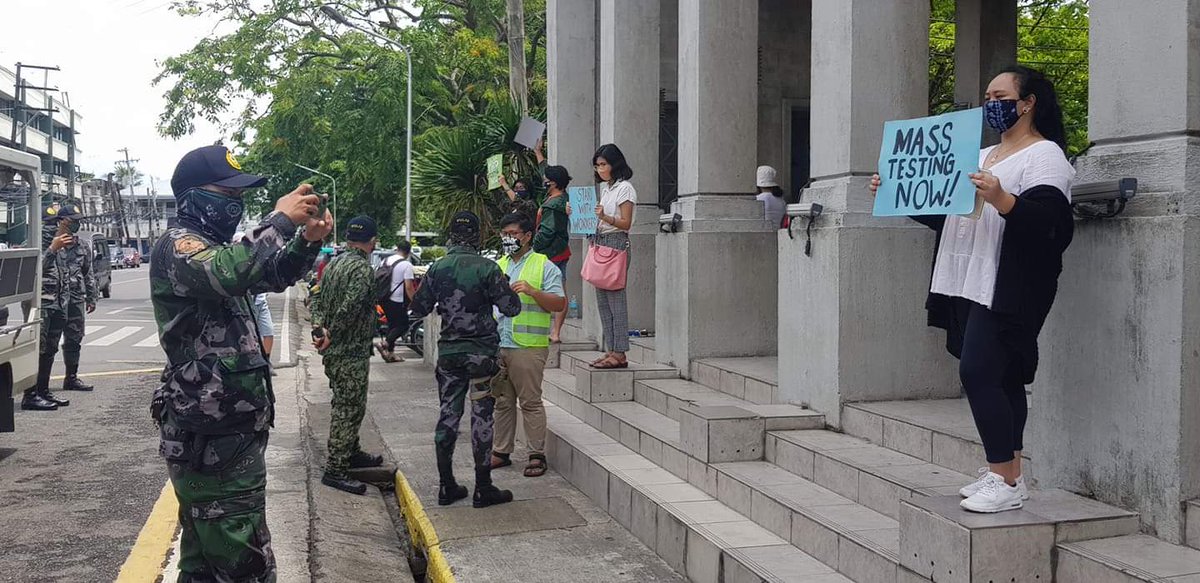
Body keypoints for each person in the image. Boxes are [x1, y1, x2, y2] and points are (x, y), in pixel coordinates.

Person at [869, 66, 1074, 514]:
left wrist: (1002, 198)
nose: (991, 103)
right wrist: (900, 194)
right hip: (967, 278)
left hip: (1008, 283)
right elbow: (950, 215)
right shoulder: (979, 155)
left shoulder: (1045, 157)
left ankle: (1002, 473)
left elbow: (1049, 225)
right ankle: (1010, 473)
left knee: (977, 372)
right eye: (987, 95)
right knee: (1002, 375)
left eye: (1000, 95)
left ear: (1028, 102)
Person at [151, 145, 330, 581]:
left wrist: (307, 242)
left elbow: (268, 274)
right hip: (212, 438)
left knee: (203, 563)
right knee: (244, 563)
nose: (236, 204)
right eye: (226, 193)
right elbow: (229, 272)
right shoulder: (178, 246)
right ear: (193, 196)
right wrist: (281, 221)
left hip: (225, 430)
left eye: (240, 196)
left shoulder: (215, 247)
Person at [408, 211, 522, 508]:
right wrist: (504, 285)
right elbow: (512, 308)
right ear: (477, 236)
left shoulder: (436, 268)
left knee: (448, 414)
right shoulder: (488, 268)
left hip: (449, 354)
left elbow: (419, 307)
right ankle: (483, 487)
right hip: (482, 353)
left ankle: (446, 486)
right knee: (482, 416)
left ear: (451, 235)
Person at [311, 215, 387, 495]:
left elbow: (316, 297)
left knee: (347, 403)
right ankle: (336, 468)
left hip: (335, 351)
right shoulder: (362, 268)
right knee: (349, 408)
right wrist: (331, 331)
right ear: (372, 241)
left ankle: (351, 451)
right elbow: (351, 306)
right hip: (349, 350)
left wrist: (319, 329)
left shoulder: (334, 264)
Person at [490, 212, 566, 478]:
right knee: (502, 401)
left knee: (530, 402)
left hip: (528, 346)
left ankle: (536, 454)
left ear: (527, 236)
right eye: (504, 235)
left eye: (513, 234)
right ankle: (501, 451)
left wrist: (534, 292)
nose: (508, 239)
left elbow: (559, 303)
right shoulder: (497, 265)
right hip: (501, 343)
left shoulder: (544, 266)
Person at [23, 203, 94, 411]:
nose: (76, 225)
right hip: (42, 303)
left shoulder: (70, 244)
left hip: (60, 303)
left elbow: (78, 273)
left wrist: (89, 296)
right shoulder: (38, 242)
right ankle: (31, 393)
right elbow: (33, 271)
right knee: (39, 348)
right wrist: (53, 249)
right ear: (61, 221)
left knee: (50, 349)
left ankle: (43, 391)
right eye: (72, 221)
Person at [589, 143, 636, 369]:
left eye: (604, 164)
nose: (600, 169)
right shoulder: (606, 188)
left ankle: (620, 352)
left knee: (616, 301)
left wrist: (606, 218)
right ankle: (611, 349)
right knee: (602, 301)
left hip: (617, 242)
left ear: (614, 164)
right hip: (601, 242)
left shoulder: (625, 188)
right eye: (597, 165)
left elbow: (626, 222)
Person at [533, 165, 572, 343]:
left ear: (553, 182)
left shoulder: (553, 205)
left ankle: (554, 332)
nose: (543, 181)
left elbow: (547, 231)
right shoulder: (562, 198)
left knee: (554, 293)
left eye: (546, 179)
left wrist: (533, 246)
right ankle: (555, 331)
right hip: (560, 251)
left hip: (550, 254)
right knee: (559, 291)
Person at [376, 240, 418, 363]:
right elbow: (409, 287)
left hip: (384, 297)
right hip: (397, 299)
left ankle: (390, 354)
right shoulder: (406, 265)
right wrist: (415, 302)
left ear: (397, 248)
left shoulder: (385, 261)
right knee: (403, 325)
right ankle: (385, 344)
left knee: (392, 325)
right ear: (408, 251)